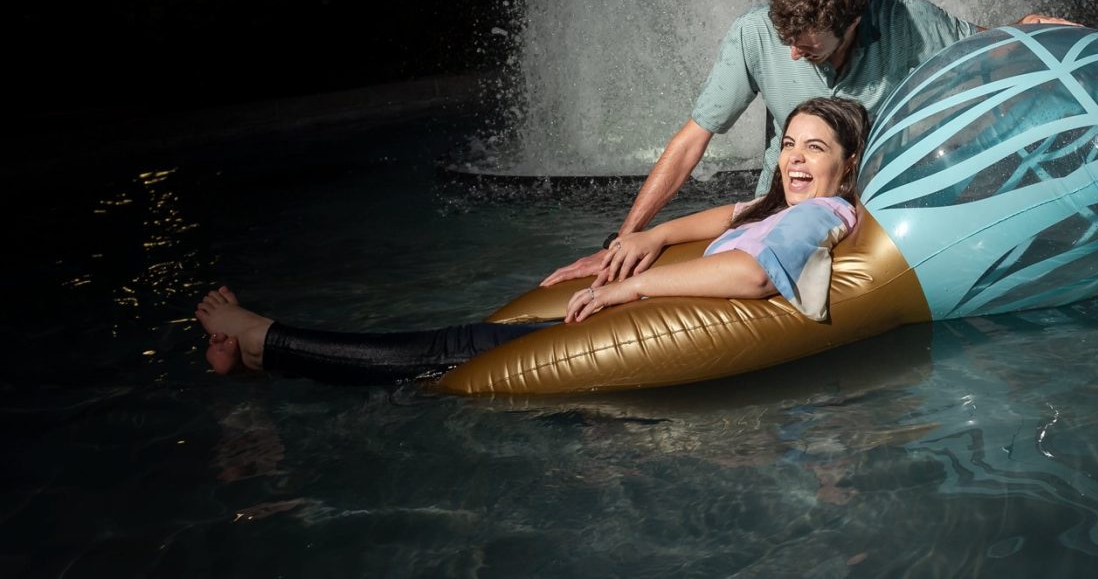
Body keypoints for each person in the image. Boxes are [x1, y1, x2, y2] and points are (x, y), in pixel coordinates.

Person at [195, 98, 871, 384]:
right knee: (448, 347)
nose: (795, 158)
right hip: (640, 314)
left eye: (815, 147)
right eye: (787, 143)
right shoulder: (783, 205)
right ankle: (263, 366)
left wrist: (628, 284)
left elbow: (751, 277)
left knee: (445, 351)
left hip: (647, 325)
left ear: (847, 161)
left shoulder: (821, 214)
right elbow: (728, 216)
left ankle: (266, 338)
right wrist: (652, 233)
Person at [545, 0, 1074, 288]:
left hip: (868, 220)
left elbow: (986, 53)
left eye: (808, 46)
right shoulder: (757, 34)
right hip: (779, 207)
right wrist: (623, 238)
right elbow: (691, 141)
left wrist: (1026, 28)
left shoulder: (905, 20)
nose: (793, 56)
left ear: (852, 24)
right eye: (787, 42)